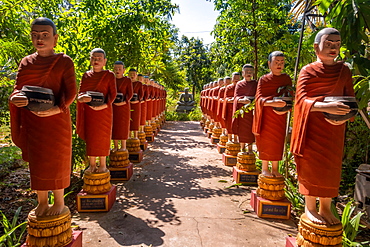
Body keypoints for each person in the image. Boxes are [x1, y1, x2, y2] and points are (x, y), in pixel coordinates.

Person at [9, 17, 76, 216]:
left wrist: (56, 109)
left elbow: (71, 92)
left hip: (56, 120)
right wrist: (16, 98)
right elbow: (17, 90)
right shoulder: (26, 62)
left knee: (57, 160)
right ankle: (42, 201)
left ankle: (59, 202)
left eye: (45, 35)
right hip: (33, 120)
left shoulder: (64, 62)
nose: (40, 39)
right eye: (35, 35)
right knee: (38, 161)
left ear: (55, 39)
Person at [291, 28, 354, 225]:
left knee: (330, 168)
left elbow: (351, 99)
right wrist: (326, 106)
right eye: (328, 44)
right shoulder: (307, 71)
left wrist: (345, 116)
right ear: (316, 47)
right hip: (311, 127)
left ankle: (326, 208)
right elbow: (300, 101)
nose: (333, 48)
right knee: (312, 166)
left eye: (336, 44)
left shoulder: (344, 71)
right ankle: (310, 208)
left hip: (335, 129)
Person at [252, 51, 292, 178]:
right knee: (266, 141)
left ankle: (275, 169)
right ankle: (265, 168)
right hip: (267, 116)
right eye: (276, 62)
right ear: (269, 64)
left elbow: (289, 96)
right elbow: (258, 99)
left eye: (282, 62)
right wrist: (272, 102)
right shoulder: (264, 79)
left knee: (278, 142)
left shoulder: (286, 79)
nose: (279, 65)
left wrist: (287, 106)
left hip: (280, 116)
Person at [77, 48, 117, 173]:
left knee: (102, 137)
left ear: (104, 61)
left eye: (99, 59)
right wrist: (82, 98)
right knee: (91, 138)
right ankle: (92, 164)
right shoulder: (86, 75)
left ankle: (103, 165)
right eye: (93, 58)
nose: (96, 61)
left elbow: (113, 94)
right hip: (89, 111)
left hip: (104, 111)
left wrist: (104, 105)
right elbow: (80, 93)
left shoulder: (109, 75)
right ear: (90, 60)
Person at [232, 64, 258, 153]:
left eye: (250, 72)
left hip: (253, 111)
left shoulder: (255, 83)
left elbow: (259, 95)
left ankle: (250, 149)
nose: (249, 73)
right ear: (243, 73)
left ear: (253, 73)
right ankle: (242, 148)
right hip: (243, 111)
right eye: (247, 72)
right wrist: (242, 100)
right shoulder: (239, 84)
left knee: (251, 131)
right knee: (243, 131)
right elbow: (236, 98)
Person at [111, 61, 133, 152]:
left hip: (124, 106)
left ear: (124, 70)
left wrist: (124, 101)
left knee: (123, 125)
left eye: (120, 69)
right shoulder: (111, 80)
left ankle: (123, 146)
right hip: (113, 106)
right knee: (115, 125)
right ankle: (115, 146)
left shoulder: (127, 80)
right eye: (116, 69)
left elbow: (130, 93)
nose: (117, 70)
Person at [223, 72, 240, 142]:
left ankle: (236, 139)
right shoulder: (229, 88)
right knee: (229, 124)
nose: (236, 80)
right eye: (234, 78)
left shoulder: (241, 87)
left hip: (238, 108)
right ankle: (230, 138)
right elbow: (225, 98)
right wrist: (231, 100)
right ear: (232, 79)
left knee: (237, 124)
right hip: (230, 108)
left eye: (238, 78)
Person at [128, 68, 143, 138]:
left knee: (135, 120)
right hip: (128, 104)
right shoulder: (126, 82)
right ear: (128, 74)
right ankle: (129, 136)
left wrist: (138, 100)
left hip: (136, 104)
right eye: (130, 74)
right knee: (128, 120)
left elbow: (141, 94)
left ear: (136, 75)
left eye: (134, 74)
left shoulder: (139, 84)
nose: (132, 76)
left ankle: (135, 136)